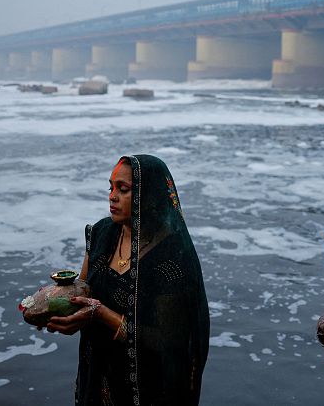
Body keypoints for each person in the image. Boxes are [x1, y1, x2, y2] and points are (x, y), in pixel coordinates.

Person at [46, 155, 209, 406]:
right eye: (110, 187)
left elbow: (167, 343)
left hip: (146, 390)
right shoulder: (101, 234)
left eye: (123, 189)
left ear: (151, 195)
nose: (112, 196)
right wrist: (53, 308)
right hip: (98, 376)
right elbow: (84, 290)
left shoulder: (171, 260)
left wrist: (100, 314)